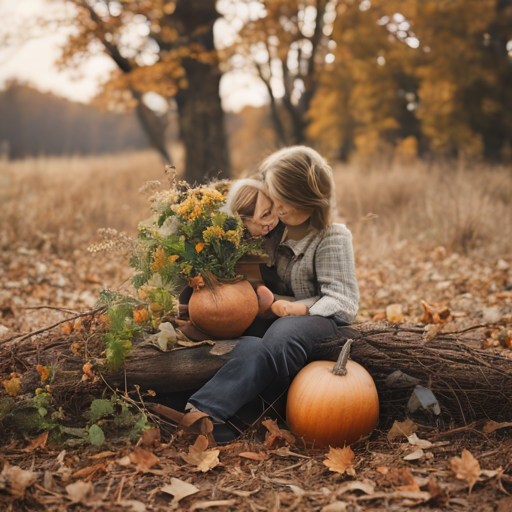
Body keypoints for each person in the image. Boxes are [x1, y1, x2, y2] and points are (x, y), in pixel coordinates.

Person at [179, 146, 360, 442]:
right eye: (275, 199)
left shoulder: (332, 237)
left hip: (319, 322)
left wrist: (299, 309)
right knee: (251, 346)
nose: (279, 208)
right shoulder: (276, 230)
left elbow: (342, 302)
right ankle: (202, 413)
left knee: (282, 335)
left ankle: (239, 417)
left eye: (286, 200)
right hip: (276, 317)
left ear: (309, 198)